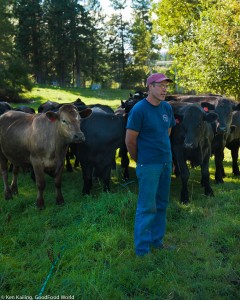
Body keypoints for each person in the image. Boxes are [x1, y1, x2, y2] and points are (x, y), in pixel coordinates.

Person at [125, 73, 176, 256]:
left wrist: (165, 158)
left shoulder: (167, 108)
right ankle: (142, 250)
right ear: (150, 87)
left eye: (166, 86)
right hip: (149, 166)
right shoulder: (139, 110)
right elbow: (130, 141)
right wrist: (142, 160)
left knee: (162, 204)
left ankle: (157, 241)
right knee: (147, 207)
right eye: (161, 85)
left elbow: (166, 133)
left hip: (165, 162)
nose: (164, 89)